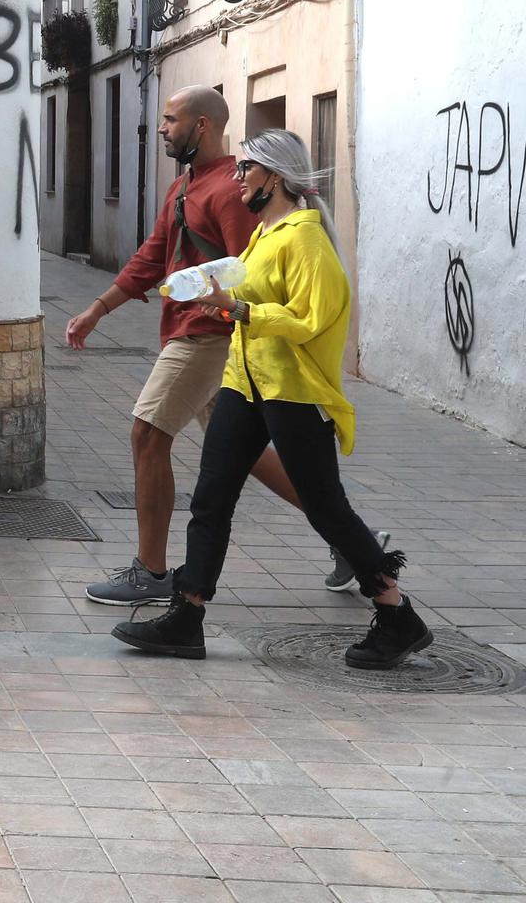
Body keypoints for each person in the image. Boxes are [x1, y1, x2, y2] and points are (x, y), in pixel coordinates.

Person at [113, 129, 429, 666]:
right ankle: (187, 617)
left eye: (247, 171)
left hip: (294, 391)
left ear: (274, 179)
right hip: (245, 380)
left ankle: (396, 612)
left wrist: (240, 311)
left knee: (326, 505)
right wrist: (221, 299)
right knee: (211, 496)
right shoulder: (264, 235)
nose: (237, 178)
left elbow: (312, 319)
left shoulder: (305, 240)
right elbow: (253, 297)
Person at [65, 87, 383, 605]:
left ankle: (151, 570)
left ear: (202, 126)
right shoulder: (183, 187)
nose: (163, 128)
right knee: (245, 455)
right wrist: (98, 309)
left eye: (171, 120)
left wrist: (236, 313)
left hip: (210, 337)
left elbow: (254, 271)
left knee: (147, 433)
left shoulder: (238, 190)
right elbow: (152, 256)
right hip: (208, 337)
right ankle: (354, 541)